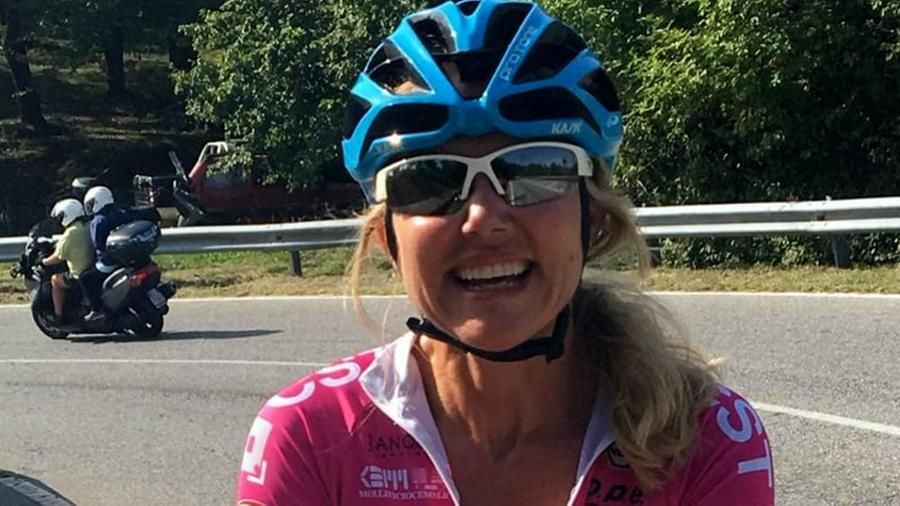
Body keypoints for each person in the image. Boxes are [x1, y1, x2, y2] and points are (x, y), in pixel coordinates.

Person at [236, 1, 774, 505]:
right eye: (429, 179)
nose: (483, 217)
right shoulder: (310, 436)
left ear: (593, 219)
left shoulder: (703, 438)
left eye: (534, 169)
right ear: (388, 240)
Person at [80, 185, 139, 320]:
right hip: (127, 256)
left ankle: (97, 309)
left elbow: (98, 244)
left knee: (86, 278)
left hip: (109, 261)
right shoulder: (121, 212)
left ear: (97, 202)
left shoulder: (98, 220)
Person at [41, 199, 94, 325]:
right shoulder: (88, 225)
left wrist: (43, 261)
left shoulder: (70, 233)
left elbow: (57, 257)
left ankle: (58, 315)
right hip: (92, 268)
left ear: (67, 215)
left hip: (78, 275)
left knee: (55, 279)